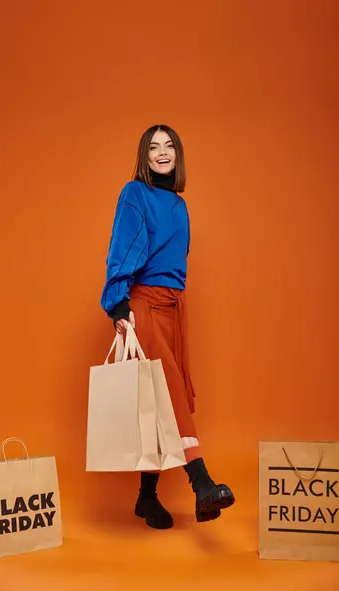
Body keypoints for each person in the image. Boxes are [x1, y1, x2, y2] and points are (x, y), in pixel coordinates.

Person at [100, 124, 235, 529]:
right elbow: (121, 246)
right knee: (170, 390)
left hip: (176, 308)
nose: (162, 152)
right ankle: (202, 482)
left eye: (169, 145)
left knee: (159, 401)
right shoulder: (134, 193)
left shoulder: (179, 204)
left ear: (177, 154)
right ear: (144, 156)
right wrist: (119, 306)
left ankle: (146, 498)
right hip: (144, 305)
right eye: (154, 147)